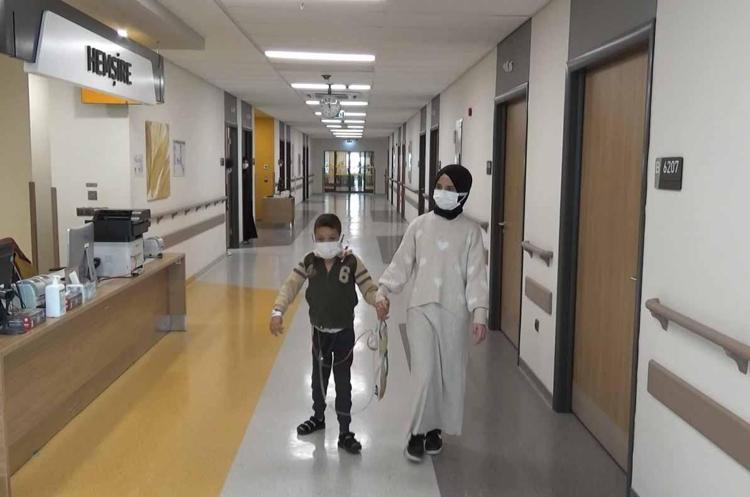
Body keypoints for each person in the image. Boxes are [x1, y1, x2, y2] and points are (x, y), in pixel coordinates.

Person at [375, 164, 489, 463]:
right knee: (425, 375)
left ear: (463, 194)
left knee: (448, 374)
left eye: (450, 189)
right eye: (439, 186)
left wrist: (479, 314)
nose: (443, 193)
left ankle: (435, 430)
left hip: (455, 313)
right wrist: (383, 291)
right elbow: (401, 263)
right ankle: (416, 432)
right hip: (420, 308)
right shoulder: (419, 225)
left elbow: (477, 275)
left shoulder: (471, 232)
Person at [269, 213, 388, 454]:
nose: (326, 242)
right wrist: (277, 310)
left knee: (343, 382)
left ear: (340, 238)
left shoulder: (351, 262)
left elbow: (368, 287)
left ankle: (345, 431)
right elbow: (290, 286)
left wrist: (378, 300)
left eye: (331, 238)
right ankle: (318, 417)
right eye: (321, 238)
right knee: (319, 380)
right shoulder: (309, 262)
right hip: (319, 334)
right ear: (314, 238)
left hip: (343, 334)